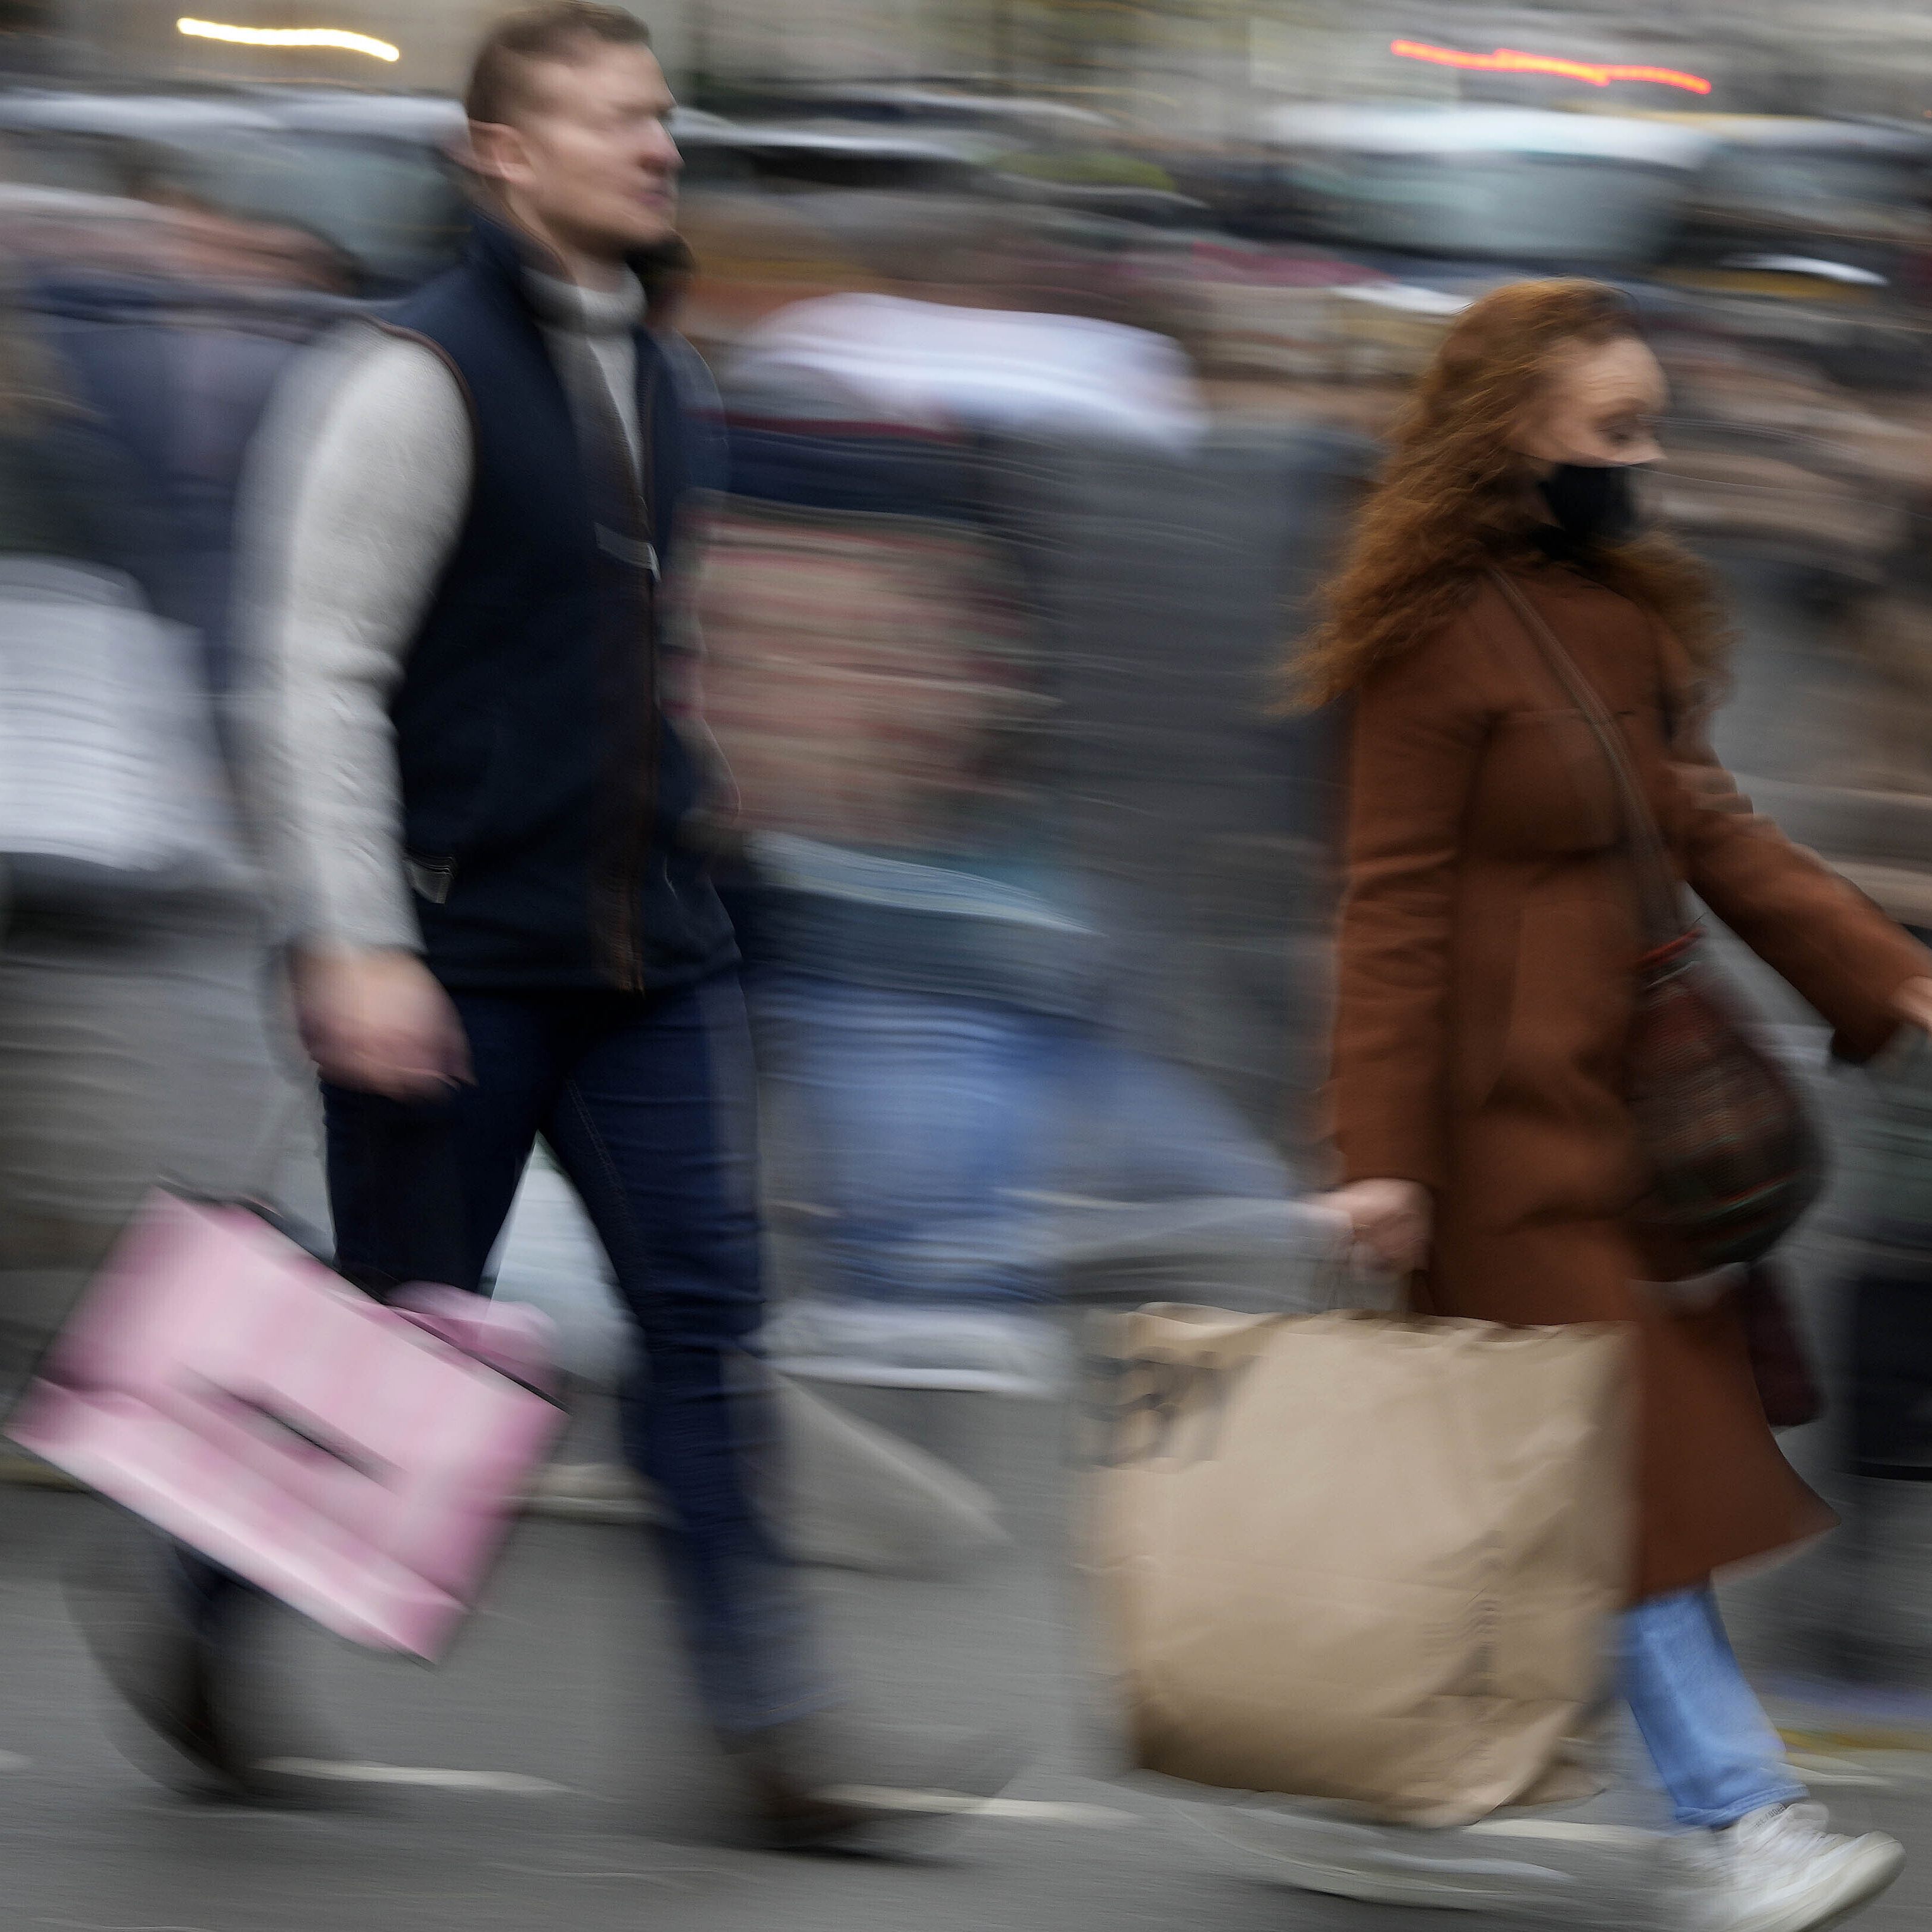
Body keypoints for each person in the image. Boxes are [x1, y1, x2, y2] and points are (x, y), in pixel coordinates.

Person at [134, 1, 1014, 1845]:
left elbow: (609, 649)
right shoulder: (406, 372)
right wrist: (354, 941)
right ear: (500, 157)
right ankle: (195, 1624)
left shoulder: (667, 375)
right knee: (387, 1328)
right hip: (458, 960)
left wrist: (692, 797)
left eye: (663, 114)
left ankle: (771, 1743)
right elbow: (310, 674)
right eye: (616, 118)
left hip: (650, 953)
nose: (658, 143)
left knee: (704, 1314)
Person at [1309, 280, 1928, 1931]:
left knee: (1519, 1490)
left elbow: (1717, 830)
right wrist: (1375, 1159)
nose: (1644, 462)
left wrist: (1885, 971)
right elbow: (1391, 912)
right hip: (1491, 1135)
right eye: (1616, 431)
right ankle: (1745, 1821)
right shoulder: (1424, 639)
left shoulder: (1619, 615)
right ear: (1514, 433)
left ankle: (1369, 1778)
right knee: (1619, 1473)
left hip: (1631, 1113)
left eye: (1651, 427)